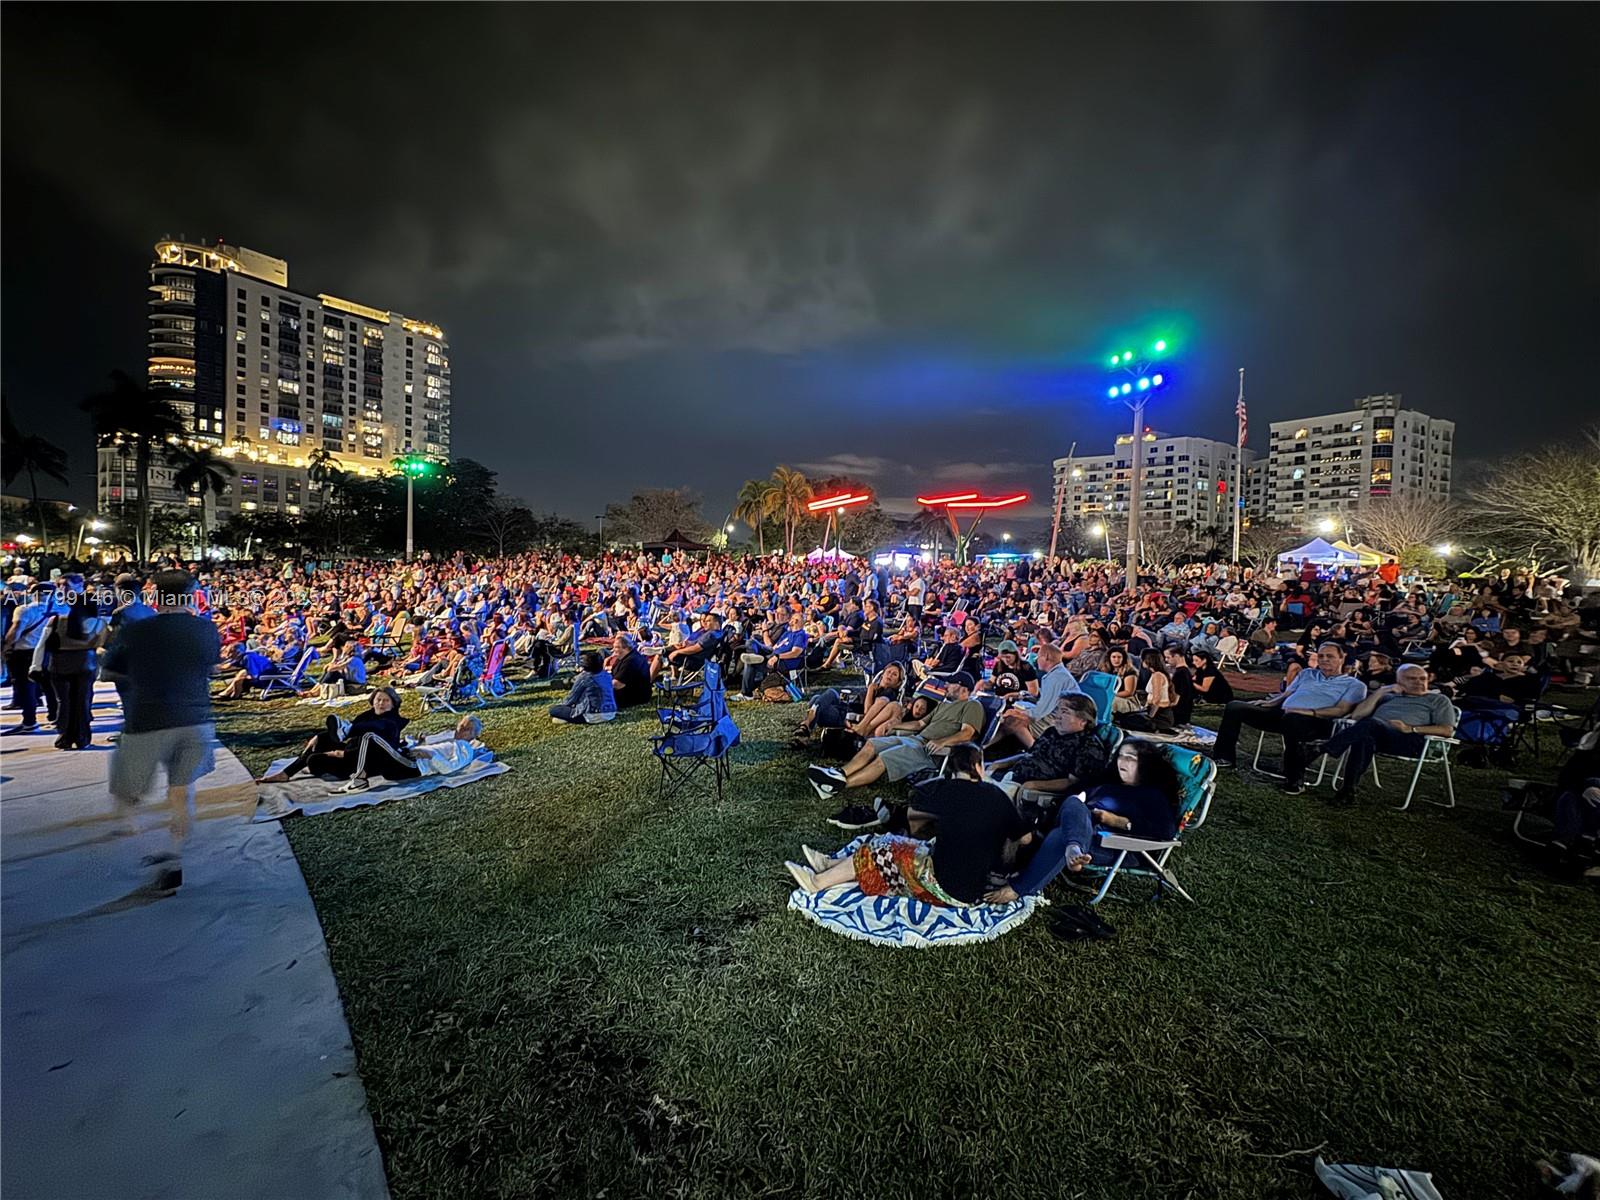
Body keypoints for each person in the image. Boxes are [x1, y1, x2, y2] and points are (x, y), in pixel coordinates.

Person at [785, 741, 1028, 907]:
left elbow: (915, 803)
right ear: (977, 766)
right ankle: (829, 865)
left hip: (946, 889)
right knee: (894, 845)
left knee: (883, 848)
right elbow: (1025, 837)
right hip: (973, 886)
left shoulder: (945, 790)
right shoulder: (996, 795)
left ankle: (818, 883)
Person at [100, 570, 223, 894]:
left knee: (127, 795)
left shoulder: (136, 630)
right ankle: (174, 858)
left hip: (147, 720)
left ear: (155, 595)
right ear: (191, 594)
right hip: (195, 719)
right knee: (182, 794)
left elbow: (108, 671)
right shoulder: (206, 628)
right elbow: (212, 668)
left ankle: (146, 852)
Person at [986, 738, 1184, 903]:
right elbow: (1074, 798)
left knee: (1062, 835)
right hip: (1078, 828)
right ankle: (1073, 849)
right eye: (1121, 755)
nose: (1122, 761)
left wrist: (1119, 822)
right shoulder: (1107, 784)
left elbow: (1165, 831)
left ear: (1146, 764)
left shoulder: (1152, 796)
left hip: (1116, 845)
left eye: (1130, 758)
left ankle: (1022, 886)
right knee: (1073, 803)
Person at [806, 671, 984, 827]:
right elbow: (919, 724)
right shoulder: (944, 704)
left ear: (962, 688)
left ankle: (837, 785)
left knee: (883, 758)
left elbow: (967, 733)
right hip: (915, 739)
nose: (946, 686)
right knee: (872, 744)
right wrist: (895, 725)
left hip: (930, 750)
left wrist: (942, 742)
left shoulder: (973, 706)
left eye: (950, 683)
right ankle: (840, 773)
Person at [1211, 642, 1367, 794]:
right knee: (1235, 707)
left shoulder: (1354, 685)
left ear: (1342, 658)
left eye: (1330, 656)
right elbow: (1287, 694)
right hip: (1285, 714)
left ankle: (1294, 779)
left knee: (1293, 719)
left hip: (1318, 722)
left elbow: (1340, 710)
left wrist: (1306, 712)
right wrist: (1269, 702)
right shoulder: (1307, 674)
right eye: (1321, 656)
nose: (1324, 659)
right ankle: (1224, 757)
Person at [1310, 664, 1459, 806]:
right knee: (1364, 738)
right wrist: (1381, 691)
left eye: (1423, 678)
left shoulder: (1438, 700)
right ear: (1399, 681)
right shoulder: (1389, 697)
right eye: (1412, 679)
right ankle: (1348, 791)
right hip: (1380, 737)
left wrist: (1411, 728)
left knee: (1370, 725)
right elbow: (1357, 715)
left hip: (1410, 740)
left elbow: (1447, 730)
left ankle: (1320, 750)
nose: (1419, 682)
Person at [257, 687, 409, 783]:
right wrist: (318, 737)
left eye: (386, 701)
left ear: (393, 704)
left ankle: (337, 771)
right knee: (322, 740)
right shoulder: (367, 715)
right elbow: (348, 735)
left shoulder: (392, 721)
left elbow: (376, 749)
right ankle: (286, 773)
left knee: (313, 760)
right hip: (352, 751)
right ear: (372, 701)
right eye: (378, 700)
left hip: (367, 761)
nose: (381, 703)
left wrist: (341, 753)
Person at [988, 693, 1110, 796]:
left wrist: (1033, 785)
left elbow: (1072, 783)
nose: (1057, 716)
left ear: (1083, 720)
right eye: (1058, 711)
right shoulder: (1051, 732)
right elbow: (1029, 755)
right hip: (1012, 775)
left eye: (1065, 712)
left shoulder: (1088, 747)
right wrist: (998, 764)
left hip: (1028, 790)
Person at [338, 714, 485, 792]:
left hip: (412, 765)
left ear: (474, 735)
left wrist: (430, 755)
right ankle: (342, 743)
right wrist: (420, 744)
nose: (461, 730)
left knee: (370, 737)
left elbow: (450, 768)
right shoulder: (450, 739)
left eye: (467, 729)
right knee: (368, 743)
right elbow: (428, 746)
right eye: (461, 725)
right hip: (405, 756)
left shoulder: (465, 748)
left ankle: (348, 730)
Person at [46, 576, 110, 750]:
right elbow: (103, 645)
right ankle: (82, 736)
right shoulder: (97, 623)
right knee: (82, 701)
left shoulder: (57, 620)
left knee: (64, 701)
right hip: (85, 663)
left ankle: (65, 735)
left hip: (59, 664)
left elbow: (45, 644)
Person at [1, 580, 63, 732]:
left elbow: (16, 631)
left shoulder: (24, 610)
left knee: (26, 687)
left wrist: (5, 647)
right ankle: (56, 717)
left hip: (25, 652)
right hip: (49, 651)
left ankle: (29, 722)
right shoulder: (62, 609)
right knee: (50, 686)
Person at [736, 611, 808, 699]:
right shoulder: (788, 633)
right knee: (751, 642)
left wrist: (777, 657)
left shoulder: (800, 635)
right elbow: (774, 647)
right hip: (772, 654)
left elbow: (795, 653)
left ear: (796, 621)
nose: (790, 619)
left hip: (782, 661)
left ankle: (746, 694)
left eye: (792, 618)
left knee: (750, 663)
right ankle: (755, 656)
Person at [550, 650, 618, 723]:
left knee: (553, 710)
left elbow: (571, 699)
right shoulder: (607, 675)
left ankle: (570, 719)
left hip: (593, 714)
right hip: (611, 712)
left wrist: (562, 706)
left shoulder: (584, 678)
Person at [605, 633, 652, 708]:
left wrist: (601, 684)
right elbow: (615, 670)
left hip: (634, 696)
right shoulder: (624, 656)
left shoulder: (631, 661)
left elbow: (617, 685)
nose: (613, 650)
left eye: (616, 647)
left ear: (626, 648)